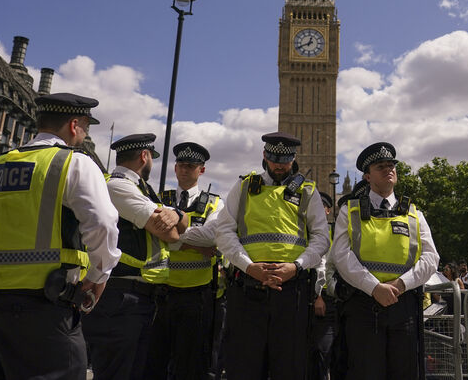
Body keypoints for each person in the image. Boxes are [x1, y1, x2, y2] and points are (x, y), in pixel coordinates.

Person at [0, 92, 121, 380]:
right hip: (43, 309)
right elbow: (102, 224)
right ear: (74, 125)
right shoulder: (73, 163)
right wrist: (99, 276)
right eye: (86, 127)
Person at [215, 132, 330, 380]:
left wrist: (296, 267)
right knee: (244, 367)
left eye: (285, 159)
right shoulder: (244, 186)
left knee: (290, 367)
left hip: (292, 293)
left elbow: (321, 238)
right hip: (247, 290)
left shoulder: (308, 191)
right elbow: (223, 231)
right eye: (275, 157)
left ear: (293, 158)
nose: (280, 164)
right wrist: (249, 267)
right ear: (265, 156)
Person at [331, 142, 440, 380]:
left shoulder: (414, 213)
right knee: (364, 372)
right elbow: (341, 255)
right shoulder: (349, 211)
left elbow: (431, 258)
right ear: (368, 176)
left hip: (404, 306)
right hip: (362, 305)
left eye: (391, 166)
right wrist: (374, 287)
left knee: (405, 372)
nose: (388, 169)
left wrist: (401, 285)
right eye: (381, 166)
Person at [83, 133, 182, 380]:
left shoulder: (143, 191)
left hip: (136, 297)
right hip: (119, 296)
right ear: (144, 156)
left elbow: (178, 227)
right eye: (151, 158)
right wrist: (176, 220)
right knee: (117, 371)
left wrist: (178, 215)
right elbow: (171, 235)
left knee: (135, 371)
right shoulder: (118, 186)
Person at [147, 141, 221, 380]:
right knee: (155, 361)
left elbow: (212, 237)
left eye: (191, 166)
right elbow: (151, 232)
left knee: (191, 365)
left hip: (197, 295)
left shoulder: (215, 203)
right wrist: (193, 244)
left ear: (202, 170)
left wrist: (171, 236)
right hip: (161, 292)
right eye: (180, 165)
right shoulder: (159, 198)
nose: (184, 170)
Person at [308, 191, 339, 380]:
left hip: (334, 299)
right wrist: (317, 296)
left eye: (323, 207)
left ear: (328, 211)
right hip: (318, 298)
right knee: (319, 350)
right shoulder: (306, 229)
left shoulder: (336, 231)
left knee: (333, 351)